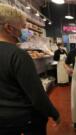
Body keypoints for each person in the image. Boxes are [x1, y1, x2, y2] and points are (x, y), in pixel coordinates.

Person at [0, 4, 60, 135]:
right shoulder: (18, 54)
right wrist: (53, 113)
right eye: (23, 28)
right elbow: (36, 94)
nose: (26, 33)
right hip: (24, 120)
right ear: (9, 28)